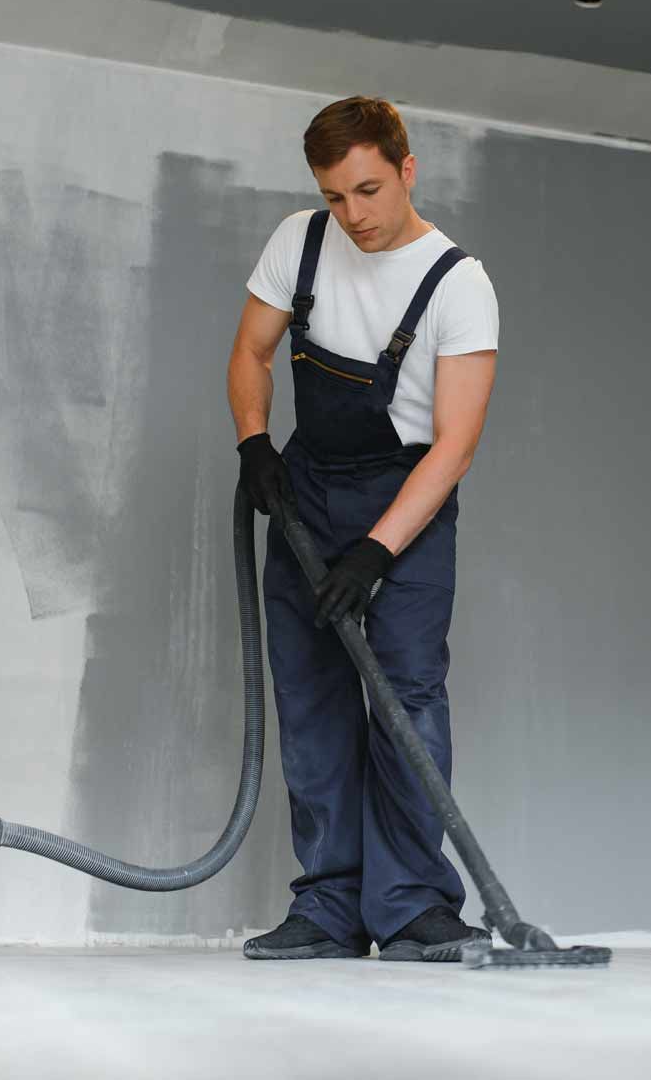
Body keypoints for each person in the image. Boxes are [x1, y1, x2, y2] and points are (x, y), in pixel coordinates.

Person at [226, 97, 499, 961]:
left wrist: (380, 548)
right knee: (312, 696)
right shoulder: (299, 242)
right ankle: (331, 908)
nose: (355, 217)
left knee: (406, 696)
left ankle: (414, 905)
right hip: (308, 487)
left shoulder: (460, 283)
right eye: (336, 196)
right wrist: (253, 441)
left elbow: (455, 443)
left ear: (407, 168)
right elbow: (253, 353)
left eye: (369, 190)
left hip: (408, 495)